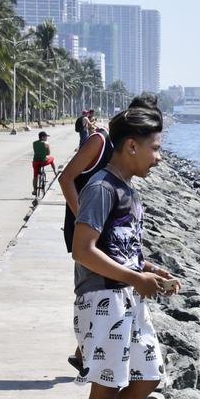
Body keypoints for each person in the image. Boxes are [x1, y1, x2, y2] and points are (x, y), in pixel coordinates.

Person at [71, 101, 181, 399]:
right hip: (103, 299)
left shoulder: (127, 191)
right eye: (155, 148)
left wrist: (153, 270)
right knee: (105, 389)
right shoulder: (101, 187)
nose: (158, 156)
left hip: (127, 296)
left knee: (147, 375)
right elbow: (82, 250)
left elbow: (122, 249)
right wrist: (136, 277)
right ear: (131, 146)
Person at [60, 94, 157, 376]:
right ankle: (88, 352)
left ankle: (86, 353)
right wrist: (87, 218)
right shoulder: (101, 141)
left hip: (105, 221)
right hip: (88, 219)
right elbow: (67, 178)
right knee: (92, 279)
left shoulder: (124, 173)